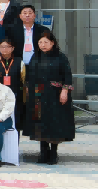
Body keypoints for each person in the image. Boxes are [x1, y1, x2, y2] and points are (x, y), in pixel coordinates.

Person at [24, 31, 75, 164]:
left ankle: (53, 153)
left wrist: (65, 91)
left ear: (52, 43)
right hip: (38, 94)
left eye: (46, 42)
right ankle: (43, 152)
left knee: (54, 123)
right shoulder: (36, 56)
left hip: (55, 95)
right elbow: (29, 75)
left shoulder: (60, 57)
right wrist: (28, 88)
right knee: (40, 123)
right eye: (40, 42)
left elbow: (67, 76)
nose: (43, 45)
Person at [0, 39, 25, 130]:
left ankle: (15, 138)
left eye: (7, 46)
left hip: (14, 95)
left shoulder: (20, 62)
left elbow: (23, 80)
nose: (4, 49)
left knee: (15, 121)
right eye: (2, 47)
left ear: (12, 48)